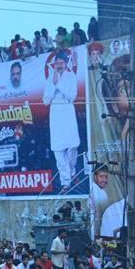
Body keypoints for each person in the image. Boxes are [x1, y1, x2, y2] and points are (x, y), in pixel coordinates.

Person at [43, 49, 81, 193]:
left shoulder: (71, 77)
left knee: (72, 148)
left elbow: (72, 96)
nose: (59, 65)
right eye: (57, 63)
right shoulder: (50, 79)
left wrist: (58, 84)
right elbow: (46, 100)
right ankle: (65, 182)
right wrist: (53, 85)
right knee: (59, 151)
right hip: (56, 118)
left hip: (68, 116)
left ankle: (71, 172)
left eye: (61, 63)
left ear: (65, 64)